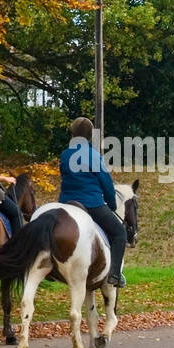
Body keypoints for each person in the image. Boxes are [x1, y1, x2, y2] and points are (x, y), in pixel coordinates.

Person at [58, 116, 126, 287]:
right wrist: (111, 204)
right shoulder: (94, 155)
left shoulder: (65, 155)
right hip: (92, 204)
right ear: (89, 136)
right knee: (119, 233)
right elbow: (107, 184)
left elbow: (65, 177)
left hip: (67, 204)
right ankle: (115, 275)